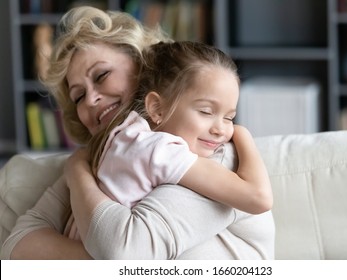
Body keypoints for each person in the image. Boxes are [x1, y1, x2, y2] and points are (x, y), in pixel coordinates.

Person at [0, 6, 275, 259]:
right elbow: (17, 245)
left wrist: (76, 173)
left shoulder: (211, 148)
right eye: (78, 96)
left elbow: (125, 252)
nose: (91, 99)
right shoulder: (104, 155)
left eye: (101, 75)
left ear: (141, 66)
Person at [65, 40, 273, 240]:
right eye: (205, 111)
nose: (221, 129)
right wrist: (243, 133)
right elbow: (259, 198)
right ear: (156, 108)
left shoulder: (126, 135)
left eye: (229, 118)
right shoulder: (157, 150)